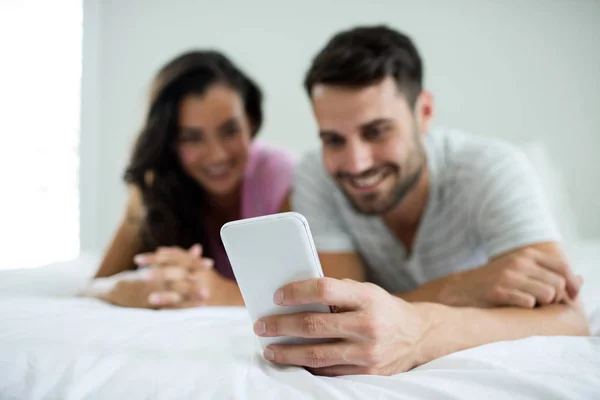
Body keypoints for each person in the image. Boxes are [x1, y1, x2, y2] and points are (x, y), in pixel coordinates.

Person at [251, 25, 590, 376]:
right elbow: (341, 317)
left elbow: (569, 318)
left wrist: (423, 334)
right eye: (334, 139)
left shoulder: (490, 168)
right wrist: (465, 287)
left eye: (377, 132)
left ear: (424, 112)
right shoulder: (317, 174)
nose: (356, 163)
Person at [89, 50, 294, 309]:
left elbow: (309, 298)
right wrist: (136, 291)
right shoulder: (154, 188)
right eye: (192, 138)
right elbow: (96, 285)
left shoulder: (282, 178)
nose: (217, 154)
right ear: (170, 142)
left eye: (230, 130)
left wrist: (214, 291)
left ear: (251, 122)